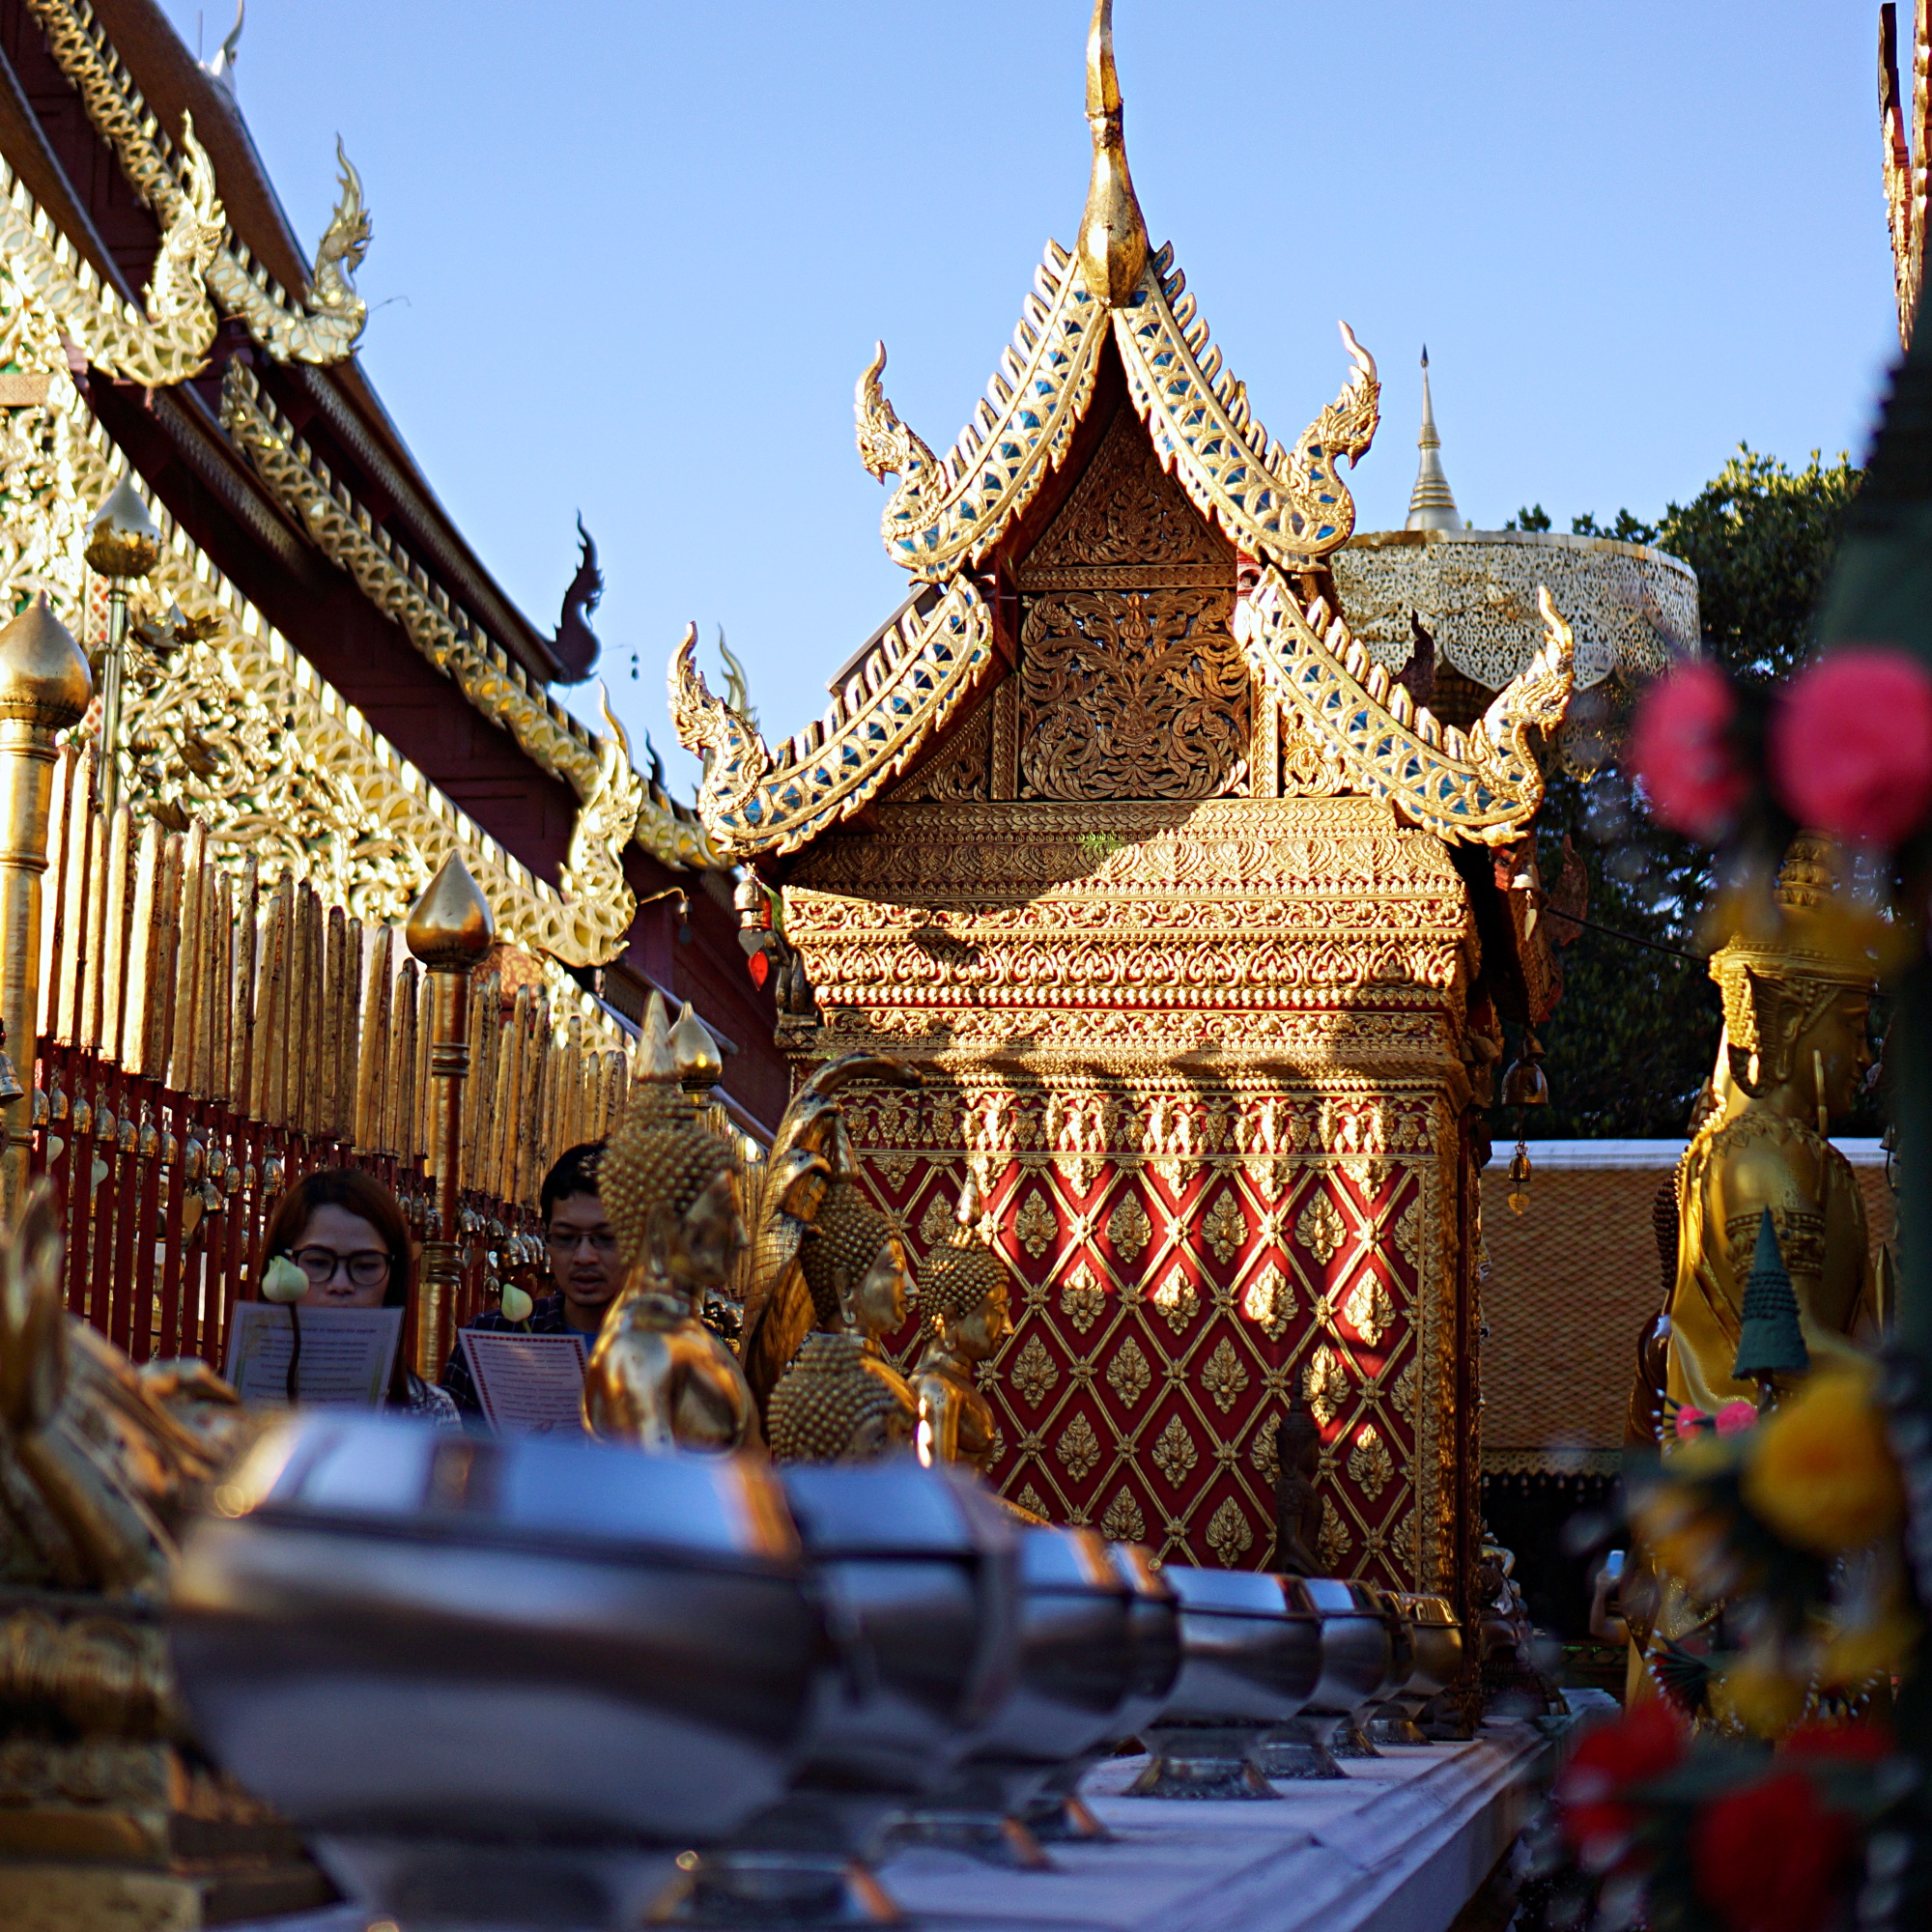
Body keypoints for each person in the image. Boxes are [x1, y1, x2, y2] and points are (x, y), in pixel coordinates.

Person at [256, 1166, 459, 1428]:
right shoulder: (225, 1403)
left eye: (365, 1266)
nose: (340, 1285)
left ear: (393, 1278)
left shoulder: (430, 1412)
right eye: (318, 1262)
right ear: (281, 1263)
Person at [441, 1143, 621, 1416]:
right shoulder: (495, 1341)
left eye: (606, 1239)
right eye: (565, 1238)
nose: (584, 1257)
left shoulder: (681, 1350)